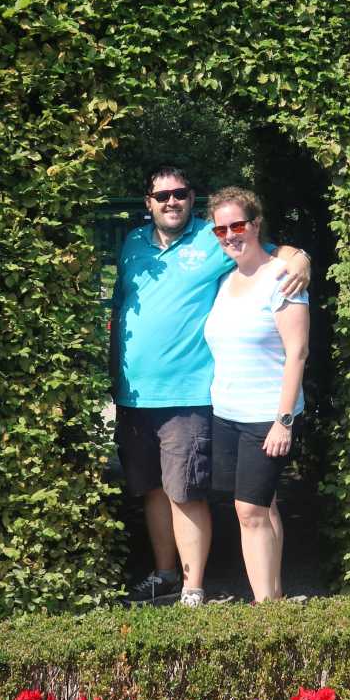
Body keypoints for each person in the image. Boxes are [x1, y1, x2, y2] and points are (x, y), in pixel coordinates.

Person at [110, 165, 309, 606]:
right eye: (162, 196)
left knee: (187, 492)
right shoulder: (133, 244)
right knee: (153, 490)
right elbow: (121, 308)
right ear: (148, 203)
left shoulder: (212, 237)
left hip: (188, 395)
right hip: (135, 395)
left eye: (180, 194)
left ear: (191, 198)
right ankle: (165, 576)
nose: (172, 202)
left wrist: (302, 260)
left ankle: (194, 587)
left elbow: (271, 251)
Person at [203, 187, 310, 603]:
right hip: (227, 413)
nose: (230, 235)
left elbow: (297, 352)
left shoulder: (283, 277)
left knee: (248, 511)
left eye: (238, 225)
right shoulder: (224, 279)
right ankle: (276, 599)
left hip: (266, 416)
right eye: (221, 229)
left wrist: (284, 420)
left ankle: (265, 611)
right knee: (263, 505)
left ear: (256, 224)